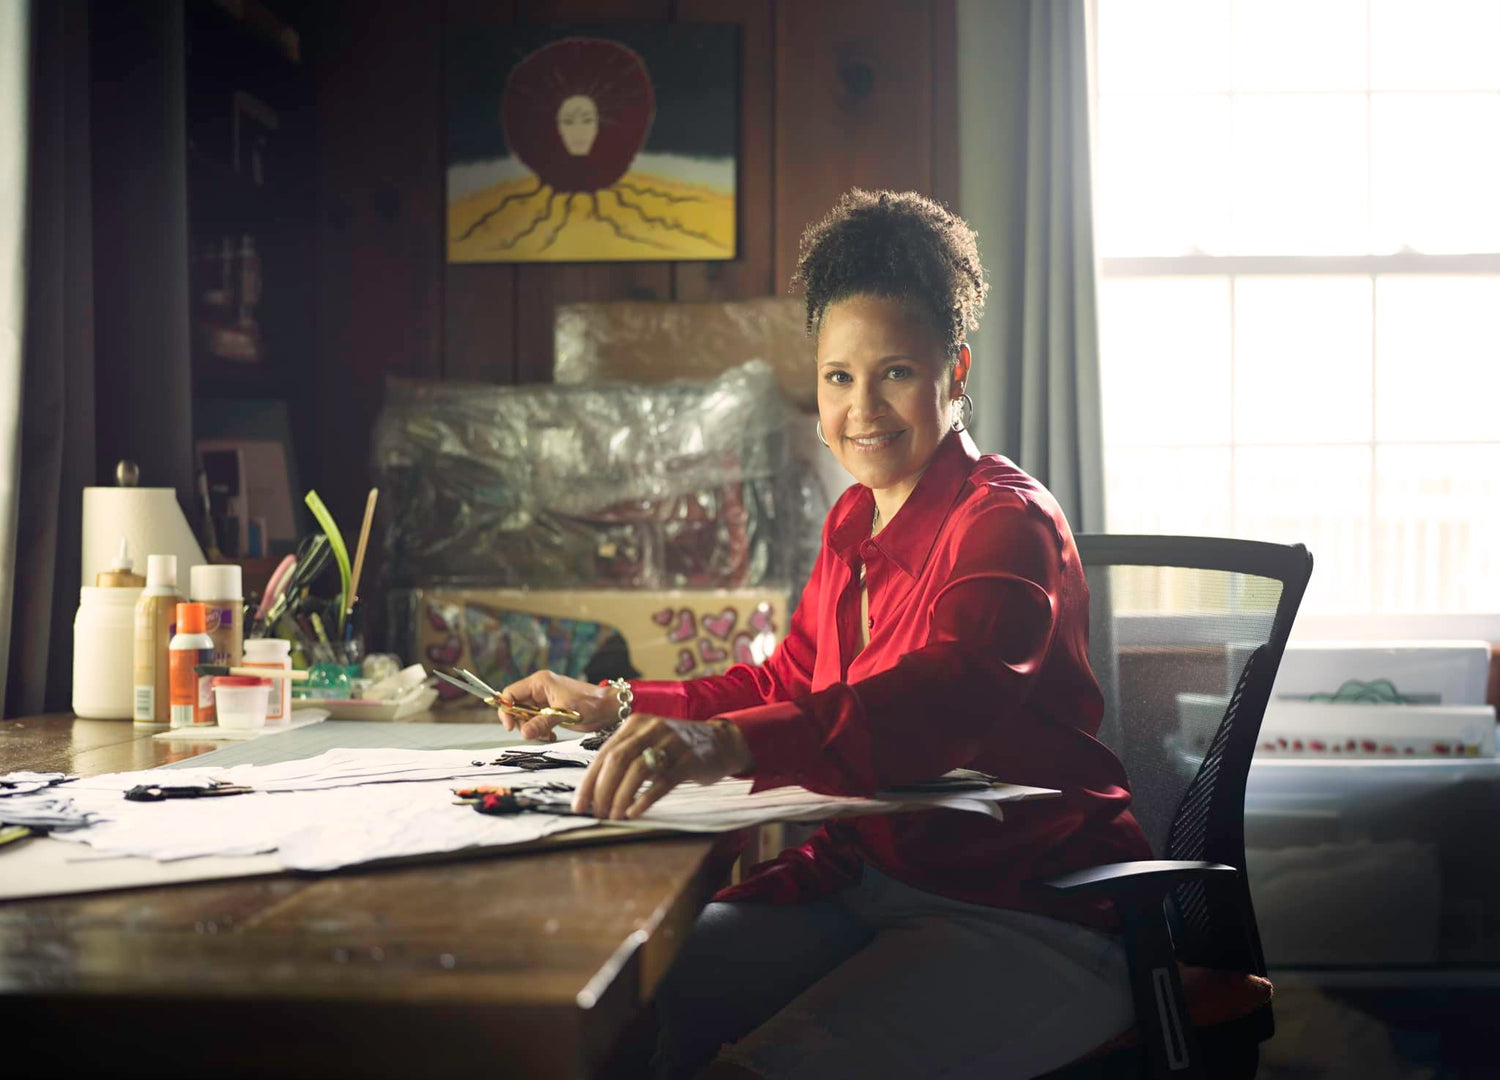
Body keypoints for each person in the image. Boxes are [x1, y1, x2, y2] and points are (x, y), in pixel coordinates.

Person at [499, 190, 1153, 1080]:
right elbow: (786, 682)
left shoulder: (1007, 523)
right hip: (870, 886)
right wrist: (615, 704)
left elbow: (943, 699)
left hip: (1028, 912)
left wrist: (723, 743)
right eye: (838, 377)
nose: (863, 407)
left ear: (956, 372)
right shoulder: (854, 519)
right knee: (630, 995)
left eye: (897, 372)